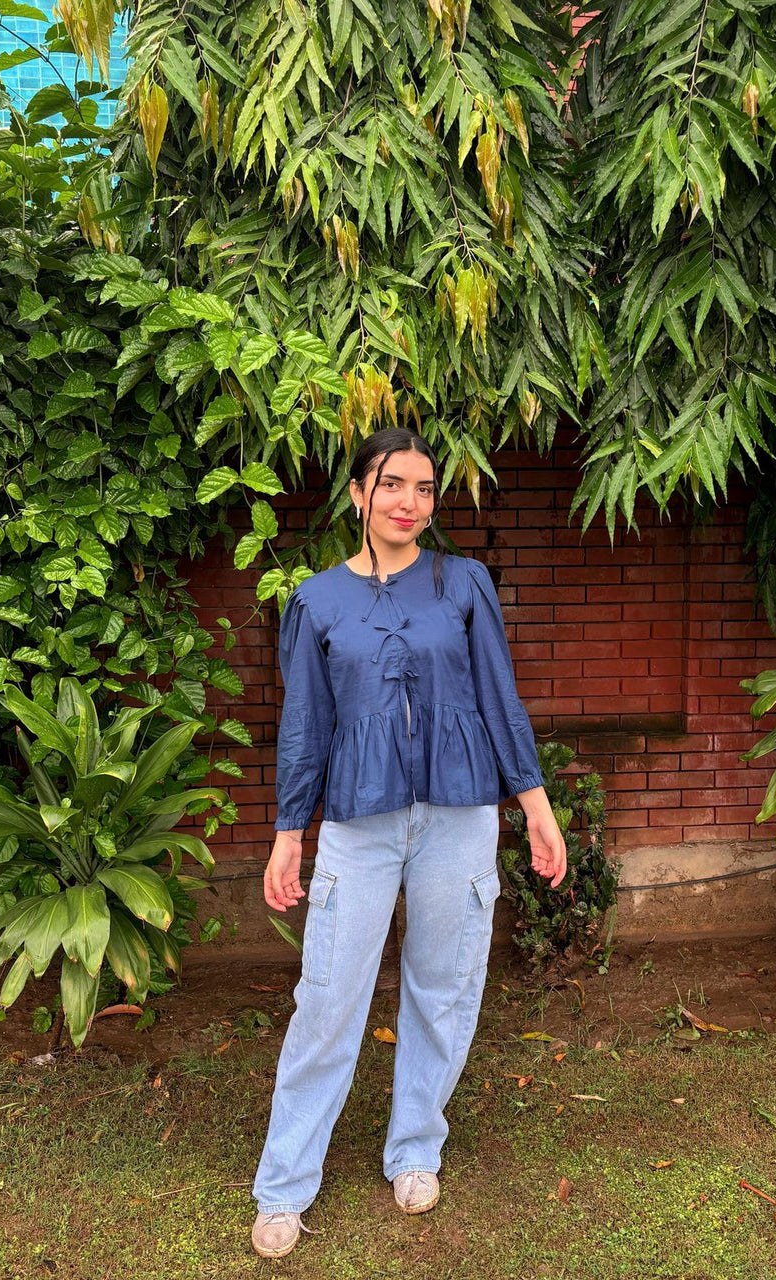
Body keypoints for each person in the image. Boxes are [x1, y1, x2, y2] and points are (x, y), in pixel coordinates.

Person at [251, 427, 567, 1258]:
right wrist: (290, 834)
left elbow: (500, 697)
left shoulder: (462, 582)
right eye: (393, 485)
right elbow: (304, 726)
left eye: (425, 489)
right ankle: (284, 1184)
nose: (409, 503)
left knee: (446, 986)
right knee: (327, 998)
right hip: (358, 823)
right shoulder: (316, 601)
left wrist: (535, 807)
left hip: (459, 817)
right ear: (358, 494)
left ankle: (415, 1149)